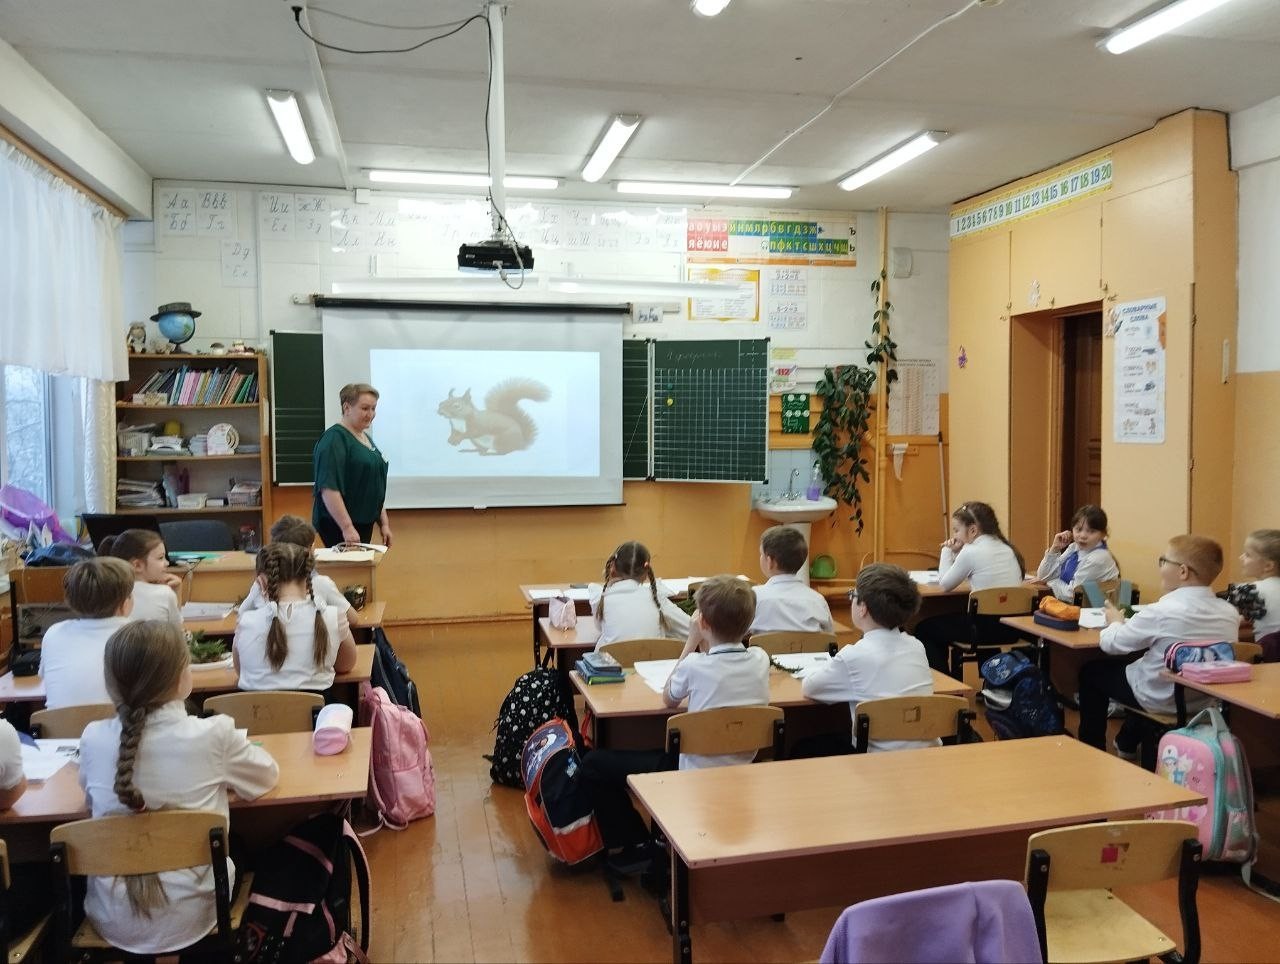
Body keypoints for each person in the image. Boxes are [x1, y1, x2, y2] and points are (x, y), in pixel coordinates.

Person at [79, 620, 279, 955]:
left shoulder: (92, 738)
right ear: (182, 679)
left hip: (113, 916)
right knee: (246, 847)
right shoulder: (215, 734)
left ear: (110, 683)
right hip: (195, 913)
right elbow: (266, 778)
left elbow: (89, 799)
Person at [580, 575, 769, 865]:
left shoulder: (693, 665)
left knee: (594, 763)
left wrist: (692, 641)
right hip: (744, 767)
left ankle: (636, 842)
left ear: (703, 622)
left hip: (692, 772)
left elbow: (669, 698)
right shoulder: (760, 659)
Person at [1077, 534, 1239, 758]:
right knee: (1141, 666)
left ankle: (1091, 752)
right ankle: (1126, 742)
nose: (1160, 566)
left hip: (1158, 697)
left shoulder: (1162, 611)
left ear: (1183, 571)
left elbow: (1112, 644)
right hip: (1203, 700)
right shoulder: (1229, 613)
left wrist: (1115, 621)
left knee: (1092, 672)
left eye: (1164, 561)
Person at [801, 563, 934, 753]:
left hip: (877, 761)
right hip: (926, 754)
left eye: (852, 595)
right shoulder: (917, 646)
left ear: (863, 608)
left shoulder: (852, 656)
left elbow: (810, 688)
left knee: (802, 747)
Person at [914, 501, 1025, 674]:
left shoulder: (971, 551)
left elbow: (945, 584)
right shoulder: (1007, 549)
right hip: (1012, 629)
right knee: (979, 615)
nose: (955, 536)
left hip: (982, 631)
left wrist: (946, 550)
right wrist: (957, 553)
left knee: (925, 629)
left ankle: (945, 683)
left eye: (956, 530)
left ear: (973, 530)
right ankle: (990, 679)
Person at [233, 542, 357, 691]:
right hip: (316, 706)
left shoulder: (245, 622)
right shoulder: (333, 617)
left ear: (260, 581)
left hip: (253, 706)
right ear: (309, 577)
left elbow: (241, 671)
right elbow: (346, 665)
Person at [238, 515, 356, 649]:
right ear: (310, 550)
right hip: (316, 653)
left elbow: (241, 617)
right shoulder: (322, 583)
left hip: (269, 653)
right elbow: (353, 619)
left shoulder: (261, 585)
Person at [39, 557, 134, 709]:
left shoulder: (53, 634)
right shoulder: (142, 636)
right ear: (124, 603)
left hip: (59, 725)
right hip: (123, 724)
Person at [312, 382, 392, 548]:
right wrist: (347, 527)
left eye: (373, 408)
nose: (371, 414)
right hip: (339, 526)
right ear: (347, 407)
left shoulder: (366, 439)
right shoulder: (334, 440)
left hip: (364, 523)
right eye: (365, 408)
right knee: (349, 566)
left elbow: (374, 485)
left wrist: (384, 523)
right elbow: (329, 488)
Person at [588, 540, 690, 651]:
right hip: (652, 661)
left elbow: (600, 627)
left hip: (613, 661)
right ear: (646, 572)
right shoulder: (656, 599)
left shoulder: (602, 599)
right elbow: (690, 629)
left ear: (613, 567)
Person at [749, 525, 834, 635]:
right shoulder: (817, 600)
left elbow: (736, 633)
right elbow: (829, 637)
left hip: (764, 647)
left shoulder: (753, 598)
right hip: (809, 647)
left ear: (770, 562)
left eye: (761, 554)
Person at [99, 528, 183, 627]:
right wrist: (177, 592)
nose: (167, 563)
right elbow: (177, 629)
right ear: (137, 565)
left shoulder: (106, 592)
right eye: (160, 558)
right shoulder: (165, 593)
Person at [1036, 504, 1120, 603]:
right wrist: (1055, 549)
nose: (1083, 536)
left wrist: (1050, 582)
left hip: (1093, 609)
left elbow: (1073, 594)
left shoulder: (1098, 558)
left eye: (1091, 531)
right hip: (1070, 606)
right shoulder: (1074, 547)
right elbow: (1043, 576)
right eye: (1079, 529)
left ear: (1103, 534)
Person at [1237, 528, 1280, 639]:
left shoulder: (1250, 590)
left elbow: (1228, 623)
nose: (1241, 557)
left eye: (1247, 555)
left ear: (1268, 566)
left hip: (1268, 649)